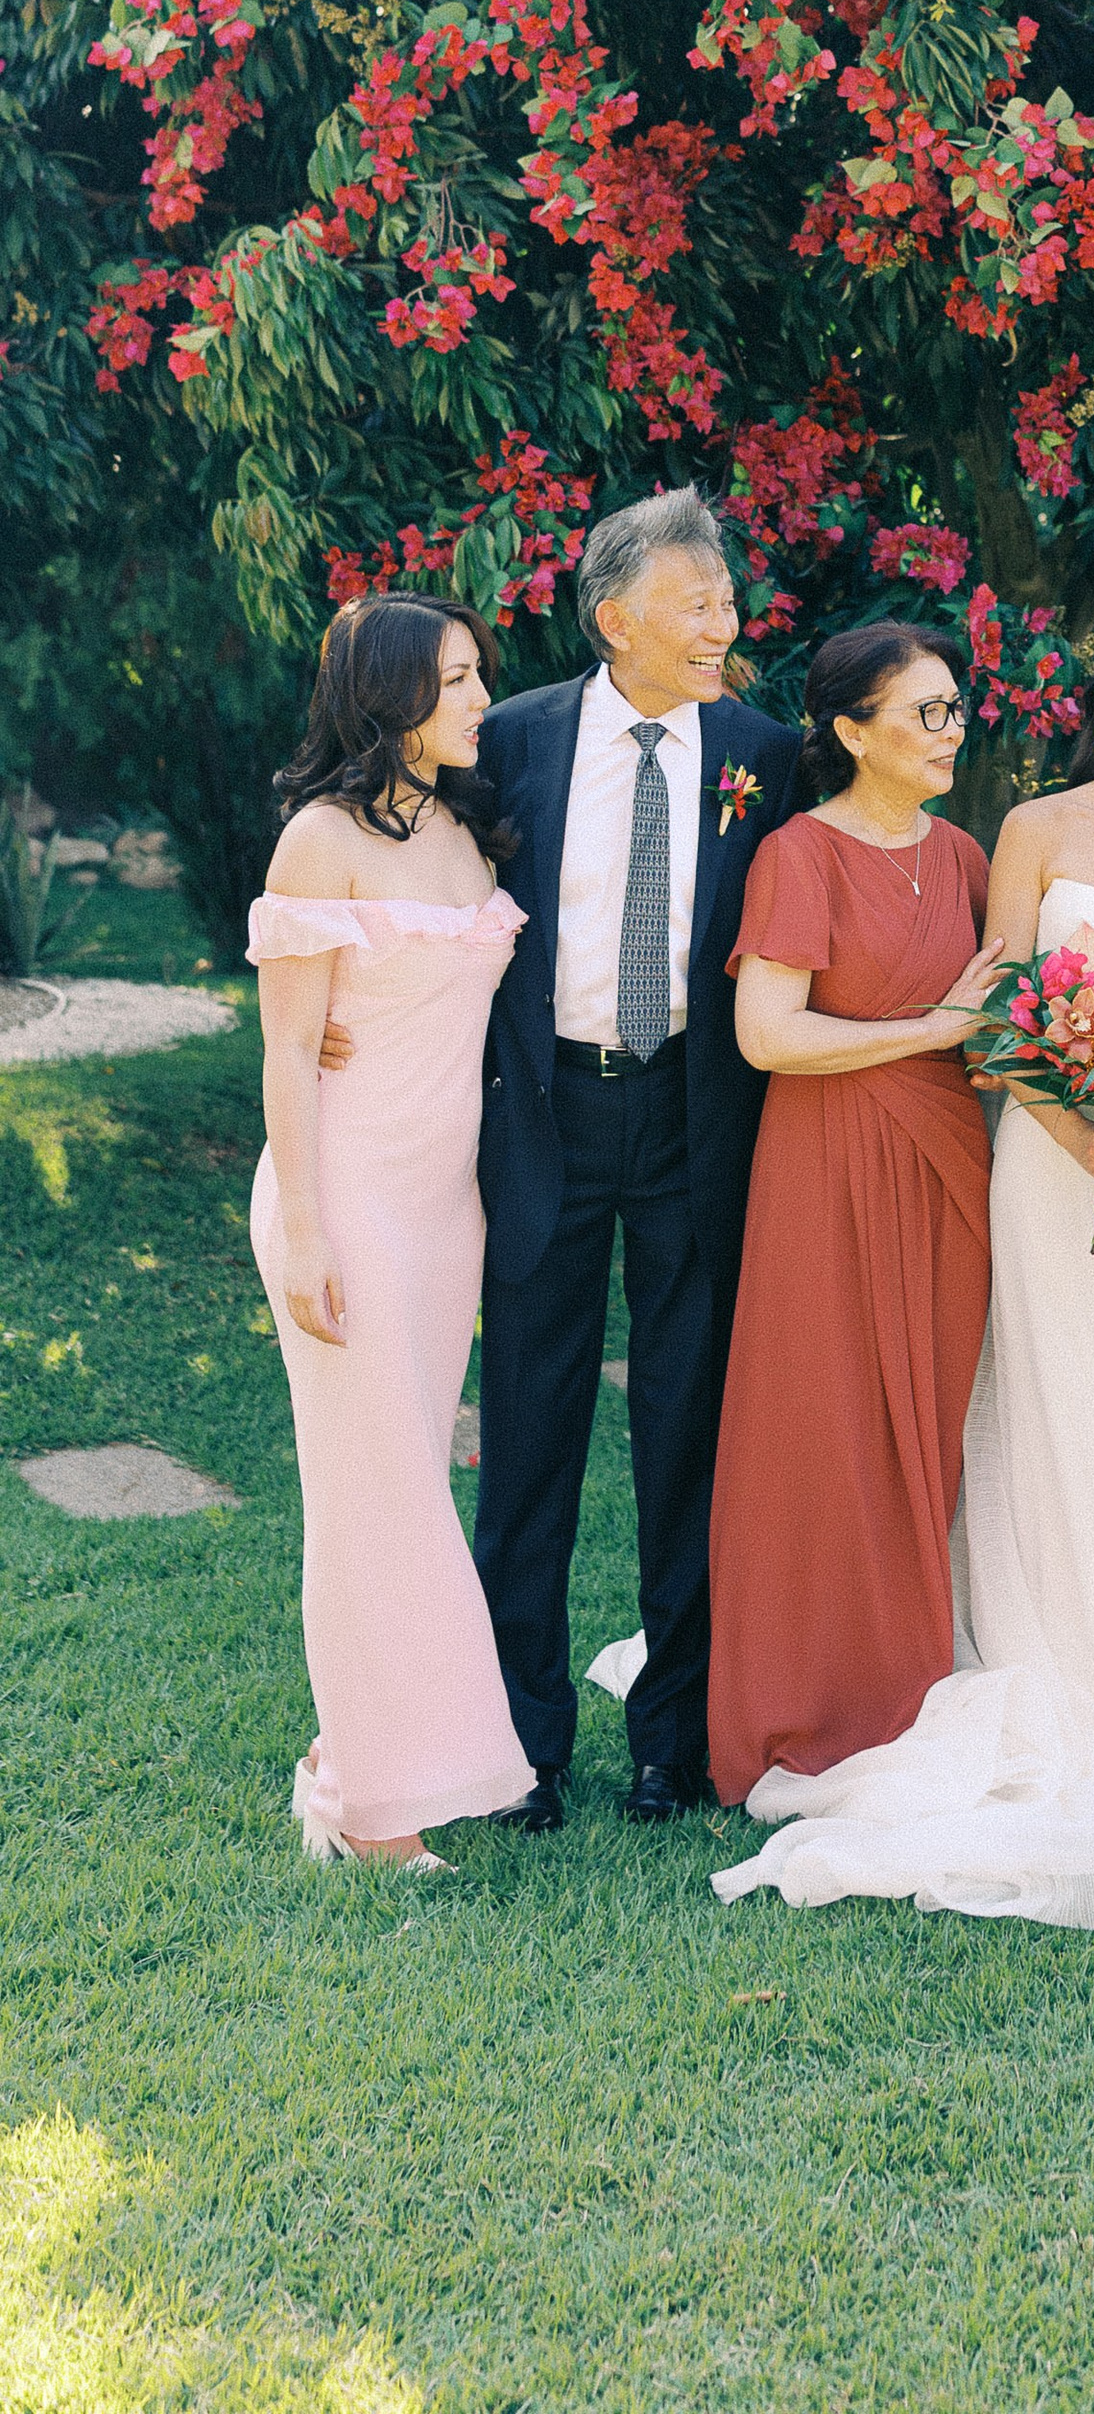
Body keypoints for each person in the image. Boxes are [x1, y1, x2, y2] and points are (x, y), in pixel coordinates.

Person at [715, 601, 1094, 1930]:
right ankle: (1049, 1655)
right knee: (1056, 1414)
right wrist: (1079, 1130)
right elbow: (996, 1015)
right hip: (1051, 1173)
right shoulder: (1033, 833)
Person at [470, 490, 799, 1828]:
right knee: (531, 1435)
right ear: (616, 620)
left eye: (728, 601)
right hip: (547, 1119)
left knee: (689, 1432)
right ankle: (521, 1745)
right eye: (698, 605)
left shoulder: (765, 754)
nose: (726, 625)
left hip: (695, 1123)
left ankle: (676, 1741)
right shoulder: (510, 741)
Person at [248, 595, 536, 1865]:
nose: (483, 700)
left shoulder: (466, 828)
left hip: (443, 1205)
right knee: (375, 1497)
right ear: (392, 695)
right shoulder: (320, 841)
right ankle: (373, 1815)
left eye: (478, 675)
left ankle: (348, 1758)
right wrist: (306, 1231)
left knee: (405, 1473)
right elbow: (288, 1054)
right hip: (346, 1196)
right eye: (461, 680)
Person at [706, 625, 1005, 1812]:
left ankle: (921, 1667)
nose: (949, 730)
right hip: (827, 1167)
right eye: (924, 712)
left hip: (947, 1167)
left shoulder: (970, 854)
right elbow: (767, 1035)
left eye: (951, 709)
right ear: (849, 732)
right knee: (823, 1427)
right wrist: (930, 1030)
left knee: (930, 1419)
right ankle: (822, 1693)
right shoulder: (798, 854)